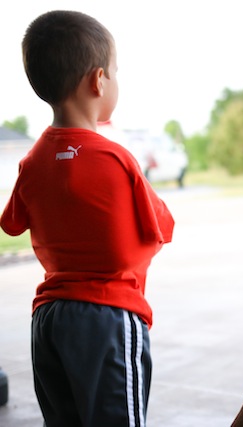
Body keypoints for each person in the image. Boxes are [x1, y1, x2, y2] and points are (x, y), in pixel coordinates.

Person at [0, 10, 174, 426]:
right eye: (115, 71)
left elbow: (11, 223)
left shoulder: (32, 161)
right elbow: (161, 226)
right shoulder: (115, 158)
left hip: (49, 318)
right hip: (108, 316)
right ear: (98, 81)